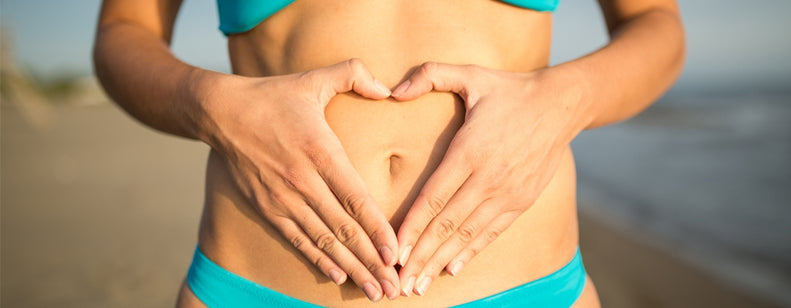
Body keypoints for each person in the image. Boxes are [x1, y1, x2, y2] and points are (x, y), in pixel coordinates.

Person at [93, 0, 684, 306]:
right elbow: (124, 29)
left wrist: (560, 100)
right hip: (257, 288)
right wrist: (214, 104)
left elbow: (656, 23)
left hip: (526, 290)